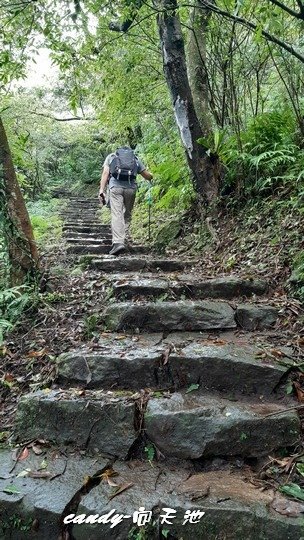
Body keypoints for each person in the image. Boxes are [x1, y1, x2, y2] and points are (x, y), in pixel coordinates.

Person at [99, 146, 153, 255]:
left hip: (115, 188)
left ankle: (119, 242)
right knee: (127, 214)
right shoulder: (135, 159)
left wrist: (101, 190)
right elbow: (147, 175)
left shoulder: (111, 157)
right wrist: (152, 176)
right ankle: (124, 237)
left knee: (117, 214)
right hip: (131, 189)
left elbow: (105, 173)